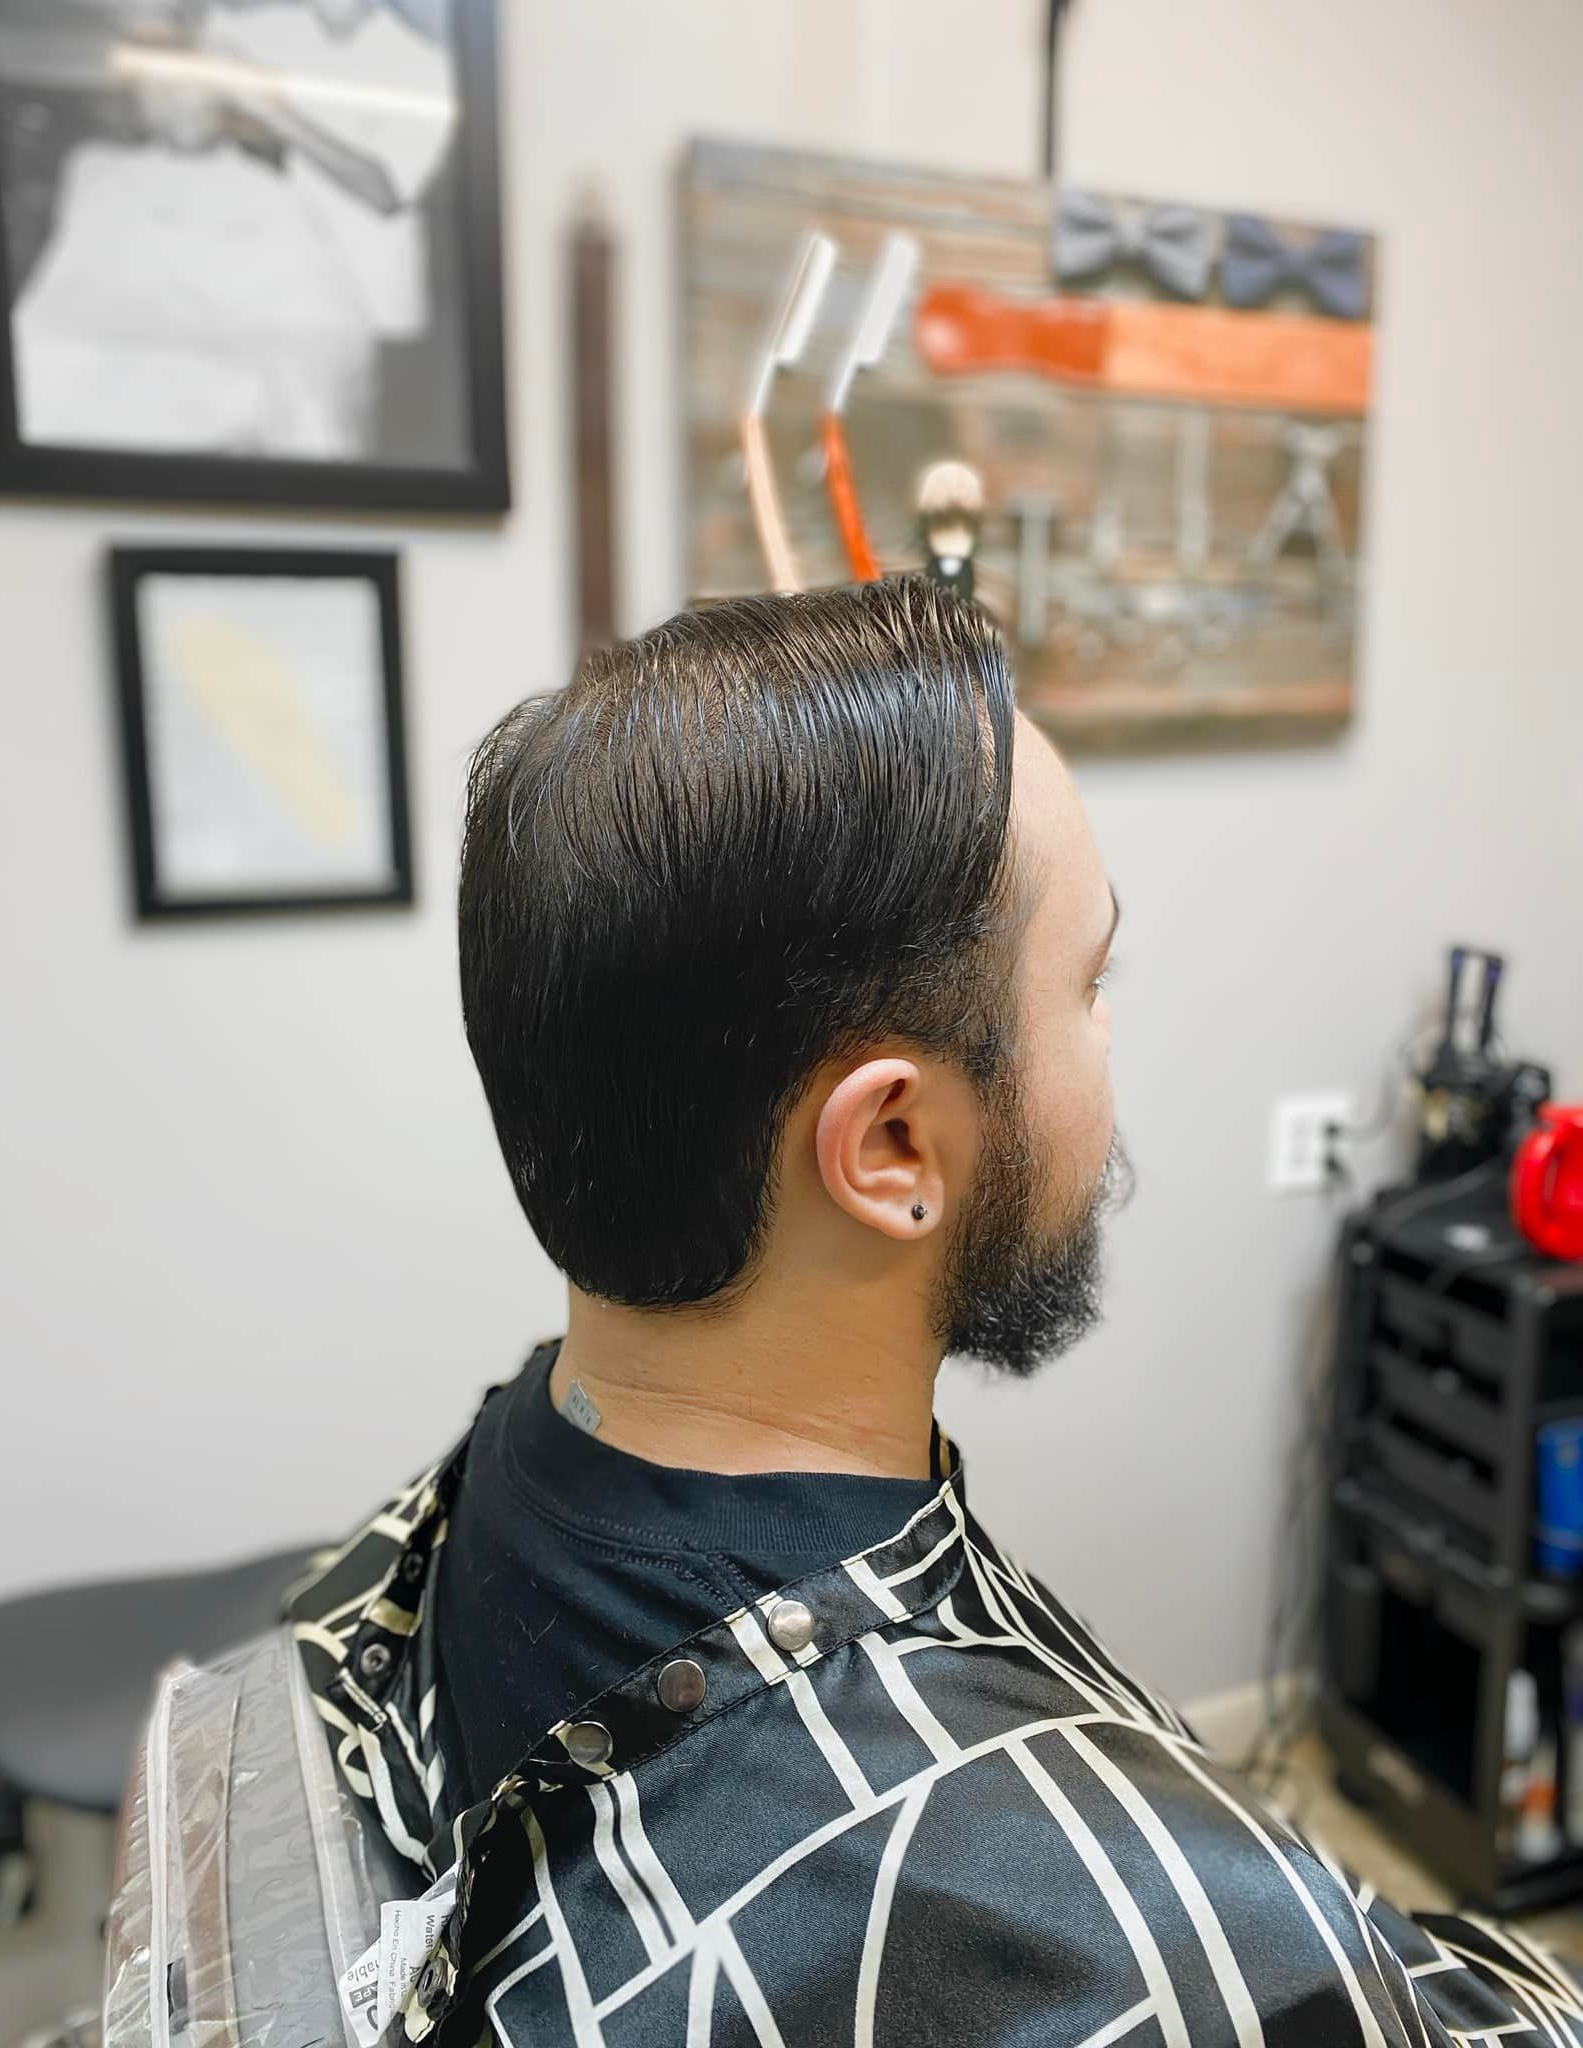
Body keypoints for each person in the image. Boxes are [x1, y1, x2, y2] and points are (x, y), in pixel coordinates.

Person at [105, 580, 1583, 2046]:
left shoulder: (483, 1497)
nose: (1112, 1029)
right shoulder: (1135, 1953)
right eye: (1090, 979)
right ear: (890, 1145)